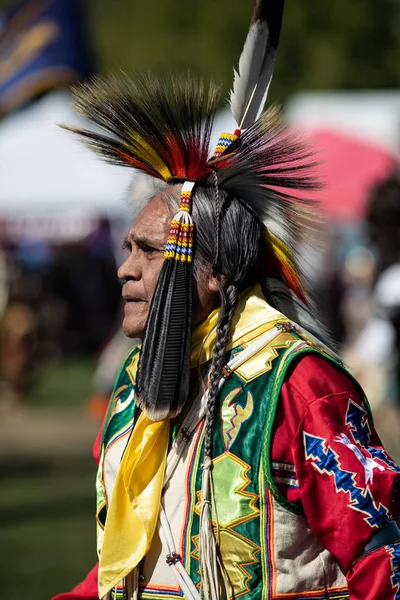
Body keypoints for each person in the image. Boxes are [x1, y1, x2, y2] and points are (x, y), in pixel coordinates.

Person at [54, 1, 400, 599]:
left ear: (213, 273)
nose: (124, 270)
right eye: (127, 248)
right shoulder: (141, 384)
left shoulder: (297, 387)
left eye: (149, 251)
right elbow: (129, 567)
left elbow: (385, 554)